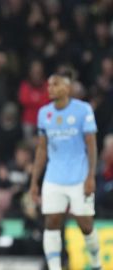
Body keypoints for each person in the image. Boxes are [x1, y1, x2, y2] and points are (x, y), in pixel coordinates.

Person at [29, 72, 102, 270]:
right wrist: (34, 182)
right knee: (51, 221)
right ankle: (55, 267)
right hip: (54, 177)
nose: (50, 88)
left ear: (67, 88)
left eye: (55, 84)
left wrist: (90, 176)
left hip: (79, 177)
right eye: (49, 85)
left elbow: (92, 145)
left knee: (85, 225)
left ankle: (96, 263)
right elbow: (42, 149)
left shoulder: (83, 110)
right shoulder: (44, 113)